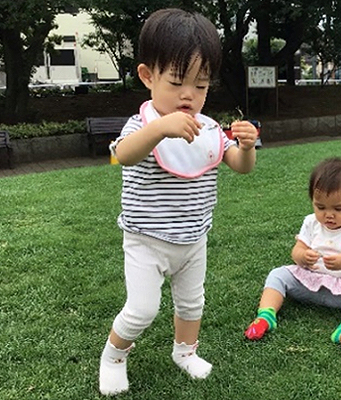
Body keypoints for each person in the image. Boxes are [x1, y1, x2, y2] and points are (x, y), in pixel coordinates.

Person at [98, 8, 258, 396]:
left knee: (192, 304)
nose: (189, 95)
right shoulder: (141, 126)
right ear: (147, 76)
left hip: (193, 239)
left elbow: (239, 166)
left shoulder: (208, 128)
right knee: (143, 310)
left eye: (201, 86)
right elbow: (123, 155)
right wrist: (160, 129)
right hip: (146, 241)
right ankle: (114, 357)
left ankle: (184, 352)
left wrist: (247, 147)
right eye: (176, 82)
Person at [244, 158, 341, 353]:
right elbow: (296, 251)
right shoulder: (311, 223)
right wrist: (302, 256)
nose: (329, 215)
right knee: (278, 274)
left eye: (338, 208)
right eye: (320, 207)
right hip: (309, 283)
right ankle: (266, 315)